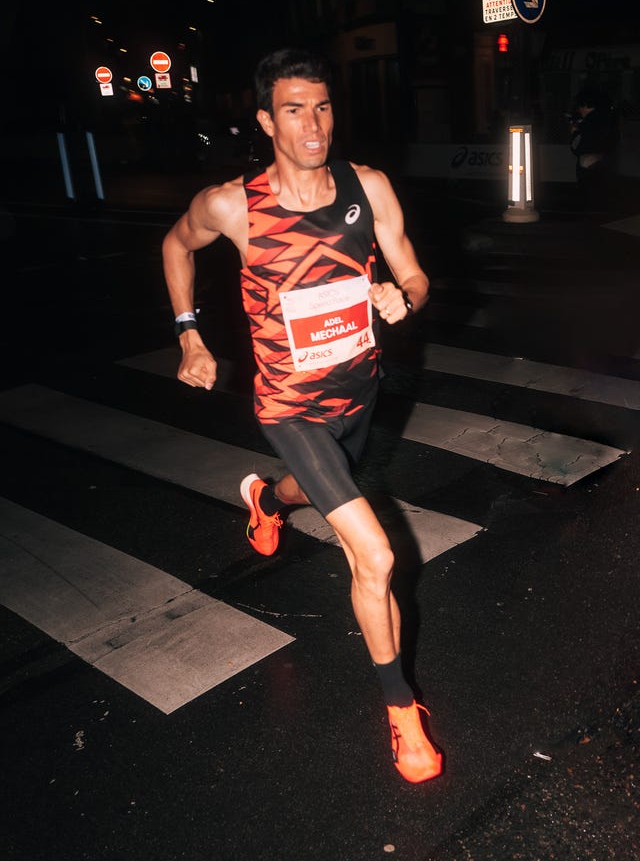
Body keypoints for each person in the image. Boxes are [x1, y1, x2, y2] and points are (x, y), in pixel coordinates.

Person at [162, 47, 441, 784]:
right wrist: (189, 334)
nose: (312, 124)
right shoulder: (234, 205)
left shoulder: (367, 187)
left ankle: (268, 500)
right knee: (375, 555)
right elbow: (175, 244)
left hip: (360, 393)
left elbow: (412, 271)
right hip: (288, 406)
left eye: (321, 106)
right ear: (265, 119)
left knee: (311, 489)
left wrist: (401, 298)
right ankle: (401, 710)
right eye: (293, 109)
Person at [568, 86, 619, 210]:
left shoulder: (588, 123)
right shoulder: (609, 119)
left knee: (589, 200)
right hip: (607, 164)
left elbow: (577, 147)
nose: (579, 110)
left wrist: (574, 132)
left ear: (585, 105)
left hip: (589, 167)